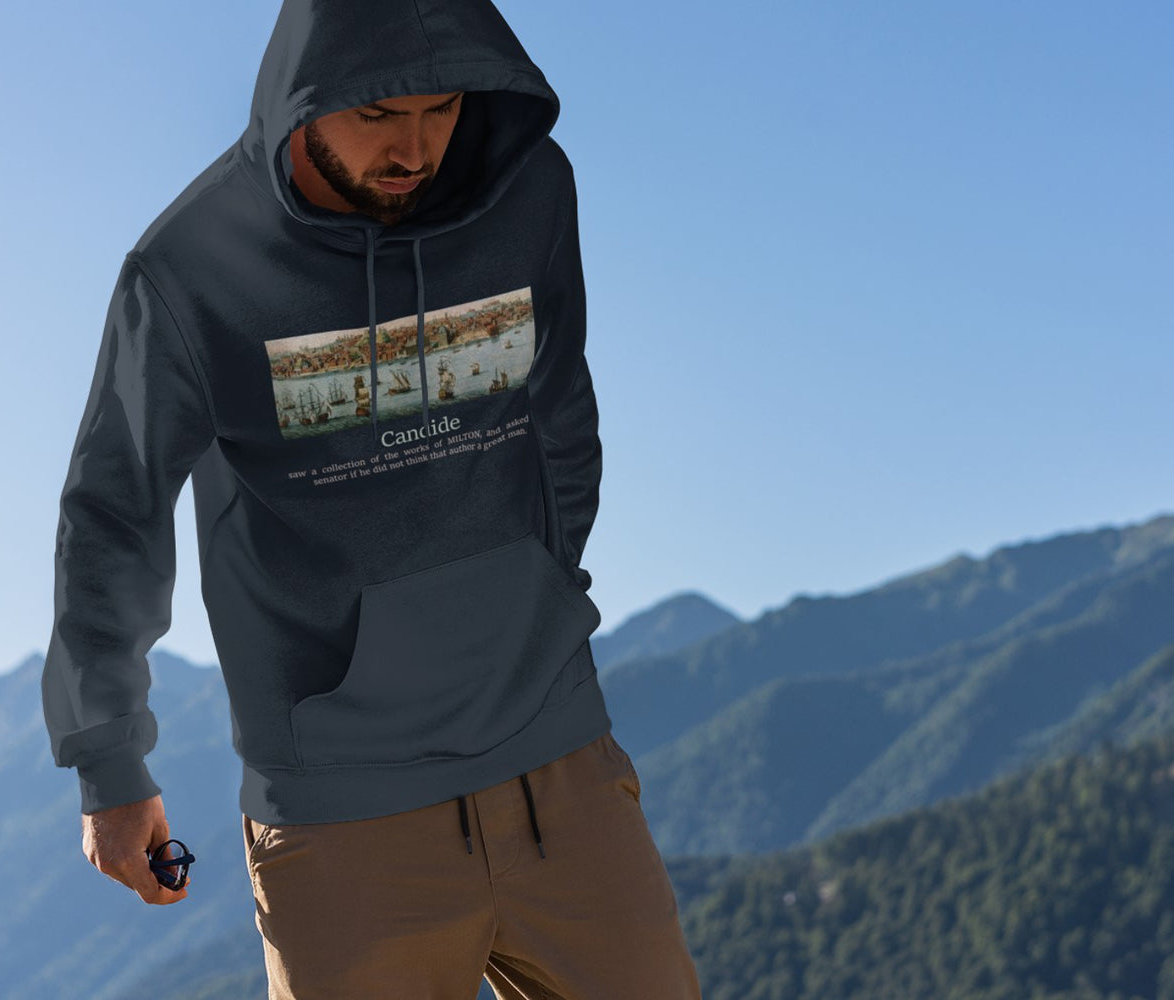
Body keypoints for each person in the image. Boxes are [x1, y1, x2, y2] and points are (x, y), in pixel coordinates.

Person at [39, 1, 704, 997]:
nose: (415, 146)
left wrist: (545, 596)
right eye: (380, 113)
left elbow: (560, 406)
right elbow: (114, 513)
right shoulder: (188, 272)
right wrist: (109, 763)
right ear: (306, 99)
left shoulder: (530, 195)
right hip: (343, 822)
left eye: (439, 109)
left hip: (562, 776)